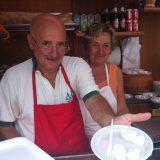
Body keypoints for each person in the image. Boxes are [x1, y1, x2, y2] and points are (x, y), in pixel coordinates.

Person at [0, 14, 151, 155]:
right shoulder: (13, 78)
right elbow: (6, 126)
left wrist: (110, 123)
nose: (54, 54)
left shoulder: (76, 67)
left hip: (78, 155)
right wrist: (27, 154)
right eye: (46, 44)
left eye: (60, 45)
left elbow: (93, 99)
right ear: (31, 42)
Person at [79, 23, 136, 139]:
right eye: (95, 45)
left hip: (112, 133)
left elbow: (121, 108)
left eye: (106, 46)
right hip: (84, 137)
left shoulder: (116, 72)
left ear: (111, 49)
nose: (101, 51)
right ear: (87, 47)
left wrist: (125, 131)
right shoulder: (78, 71)